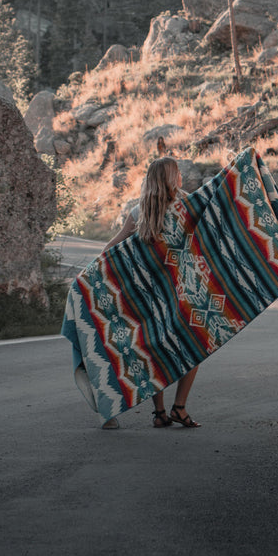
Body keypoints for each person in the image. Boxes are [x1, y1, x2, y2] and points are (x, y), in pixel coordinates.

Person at [102, 156, 201, 429]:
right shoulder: (186, 205)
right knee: (195, 348)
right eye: (177, 173)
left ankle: (159, 414)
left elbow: (113, 247)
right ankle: (179, 408)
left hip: (150, 296)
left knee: (155, 352)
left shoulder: (139, 213)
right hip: (182, 292)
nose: (181, 177)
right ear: (171, 179)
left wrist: (91, 269)